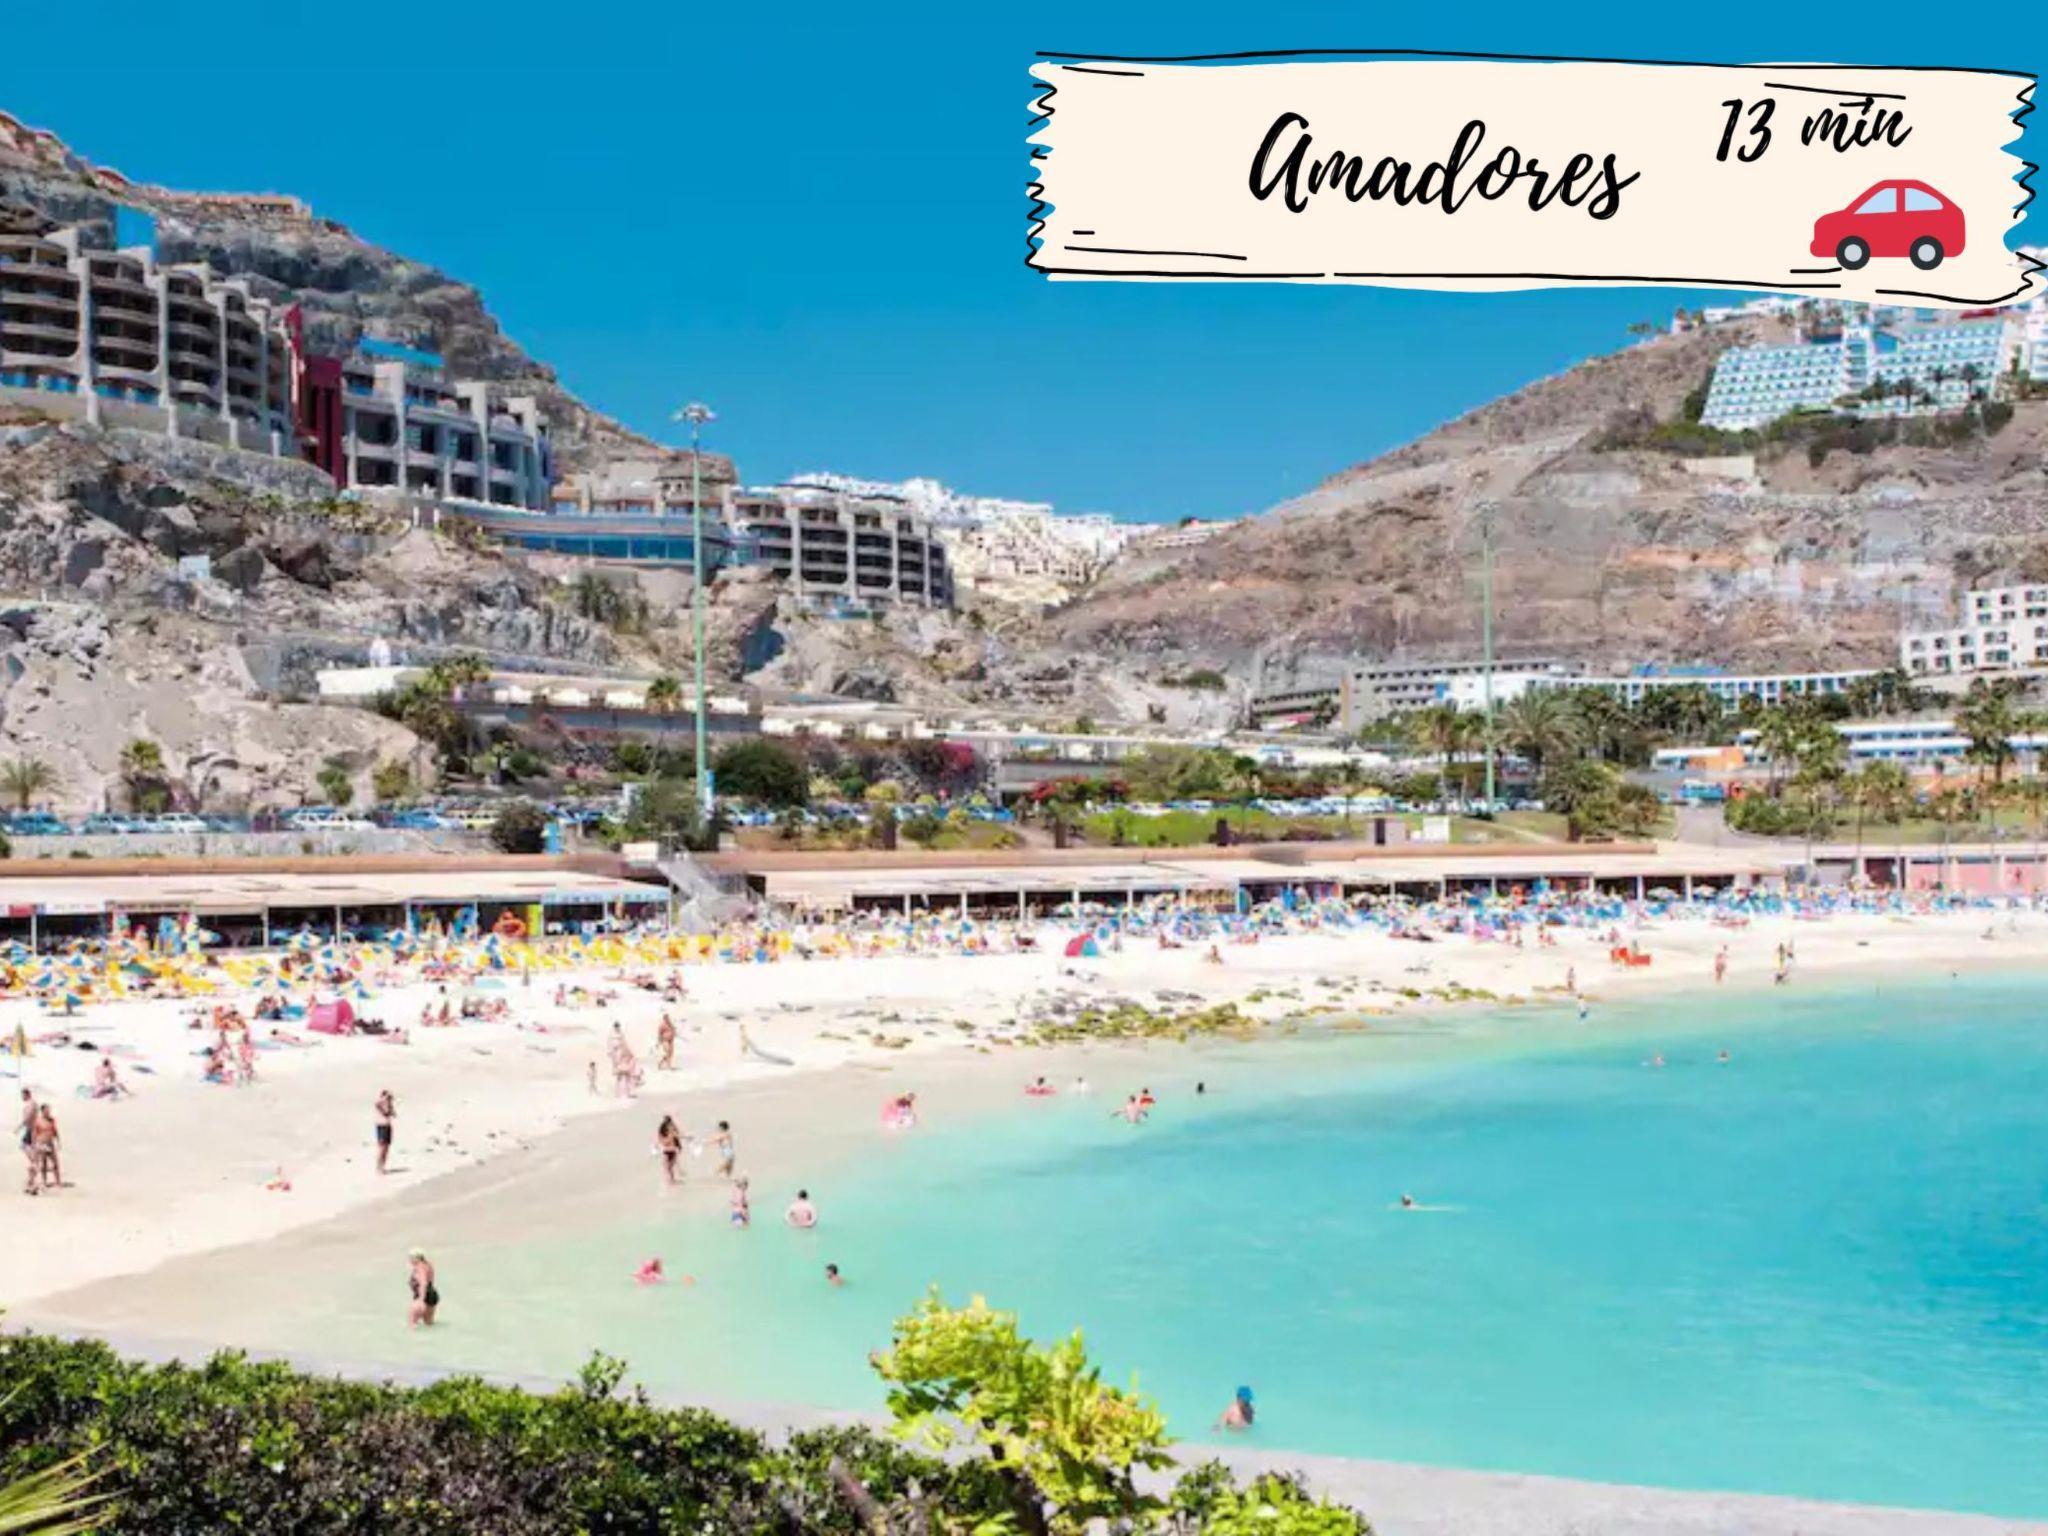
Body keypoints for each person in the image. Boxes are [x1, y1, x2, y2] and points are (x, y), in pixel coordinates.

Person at [407, 1249, 439, 1327]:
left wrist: (421, 1300)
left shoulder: (419, 1267)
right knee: (429, 1324)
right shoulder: (428, 1265)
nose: (410, 1260)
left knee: (412, 1324)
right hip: (432, 1294)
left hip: (421, 1295)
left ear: (417, 1257)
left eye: (411, 1258)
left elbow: (423, 1283)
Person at [656, 1115, 684, 1185]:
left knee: (668, 1166)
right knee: (670, 1166)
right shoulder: (671, 1128)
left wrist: (660, 1145)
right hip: (672, 1149)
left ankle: (670, 1180)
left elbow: (660, 1139)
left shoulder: (661, 1130)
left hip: (666, 1149)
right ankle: (672, 1180)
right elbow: (678, 1135)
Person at [374, 1090, 395, 1175]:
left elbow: (392, 1114)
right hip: (382, 1125)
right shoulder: (380, 1103)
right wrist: (385, 1101)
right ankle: (379, 1166)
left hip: (387, 1125)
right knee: (382, 1147)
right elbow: (379, 1107)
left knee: (386, 1147)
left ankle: (382, 1166)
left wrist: (390, 1104)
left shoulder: (388, 1104)